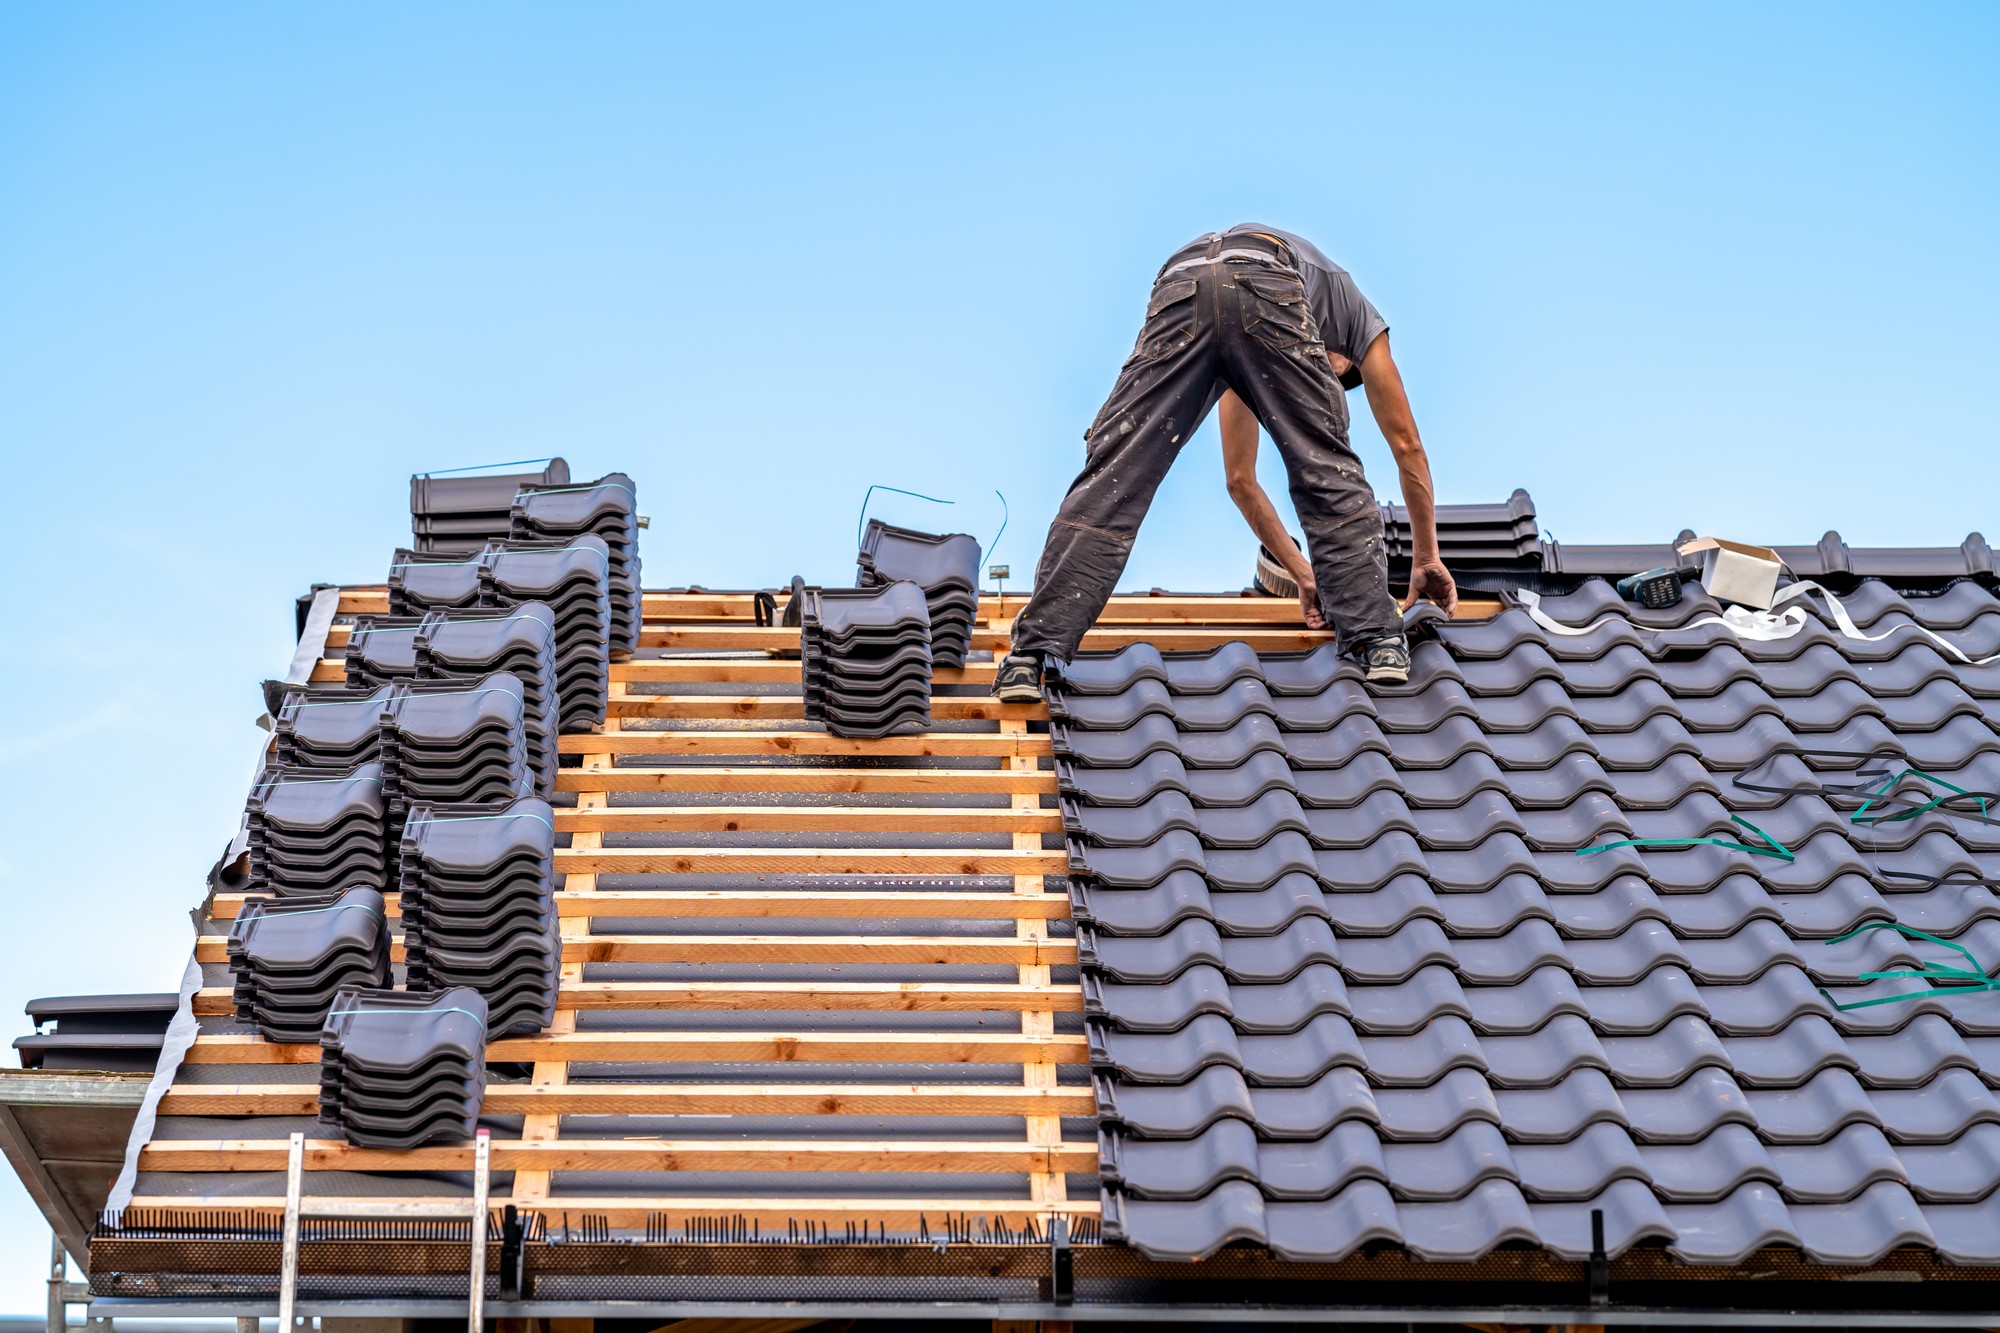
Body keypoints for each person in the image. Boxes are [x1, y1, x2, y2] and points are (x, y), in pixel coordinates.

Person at [992, 225, 1455, 702]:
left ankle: (1029, 656)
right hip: (1264, 279)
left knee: (1115, 475)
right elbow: (1407, 446)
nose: (1328, 375)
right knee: (1325, 463)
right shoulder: (1357, 318)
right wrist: (1426, 557)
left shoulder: (1254, 346)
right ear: (1344, 357)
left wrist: (1304, 573)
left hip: (1183, 285)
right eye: (1335, 373)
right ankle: (1379, 639)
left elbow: (1240, 480)